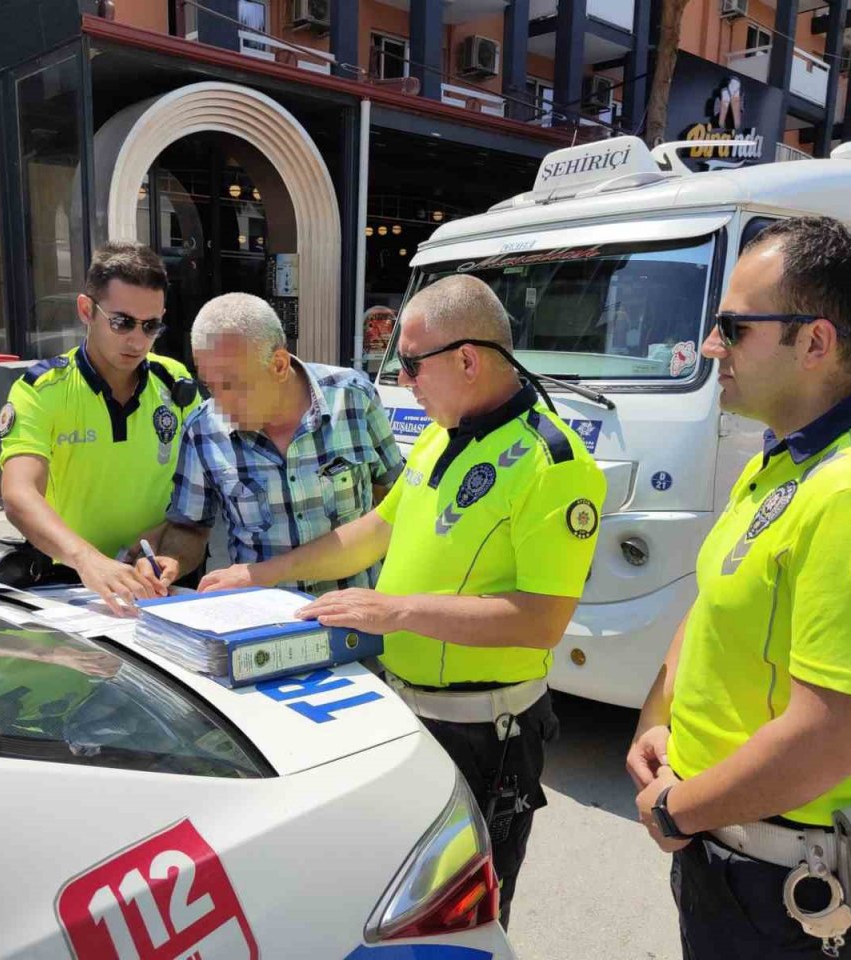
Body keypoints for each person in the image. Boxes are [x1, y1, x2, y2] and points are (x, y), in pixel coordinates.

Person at [198, 275, 607, 927]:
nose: (404, 379)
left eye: (411, 363)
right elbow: (371, 533)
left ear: (468, 359)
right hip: (408, 709)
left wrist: (398, 611)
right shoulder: (445, 435)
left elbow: (542, 621)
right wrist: (262, 575)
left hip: (485, 734)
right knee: (397, 902)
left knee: (467, 915)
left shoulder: (552, 463)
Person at [628, 217, 851, 959]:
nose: (711, 345)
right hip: (730, 857)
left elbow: (831, 736)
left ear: (814, 343)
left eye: (733, 327)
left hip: (792, 891)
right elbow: (715, 602)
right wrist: (659, 721)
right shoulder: (781, 463)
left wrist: (677, 811)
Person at [135, 292, 403, 596]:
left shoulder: (353, 396)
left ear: (278, 365)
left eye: (232, 384)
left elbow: (392, 500)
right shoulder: (203, 429)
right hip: (263, 628)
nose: (221, 403)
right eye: (210, 386)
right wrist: (171, 560)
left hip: (356, 620)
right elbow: (190, 526)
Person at [0, 242, 200, 615]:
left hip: (154, 580)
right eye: (121, 322)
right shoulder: (42, 390)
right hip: (70, 581)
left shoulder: (175, 382)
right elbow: (19, 494)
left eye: (151, 325)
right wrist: (87, 559)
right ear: (86, 310)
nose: (137, 341)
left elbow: (199, 487)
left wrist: (169, 547)